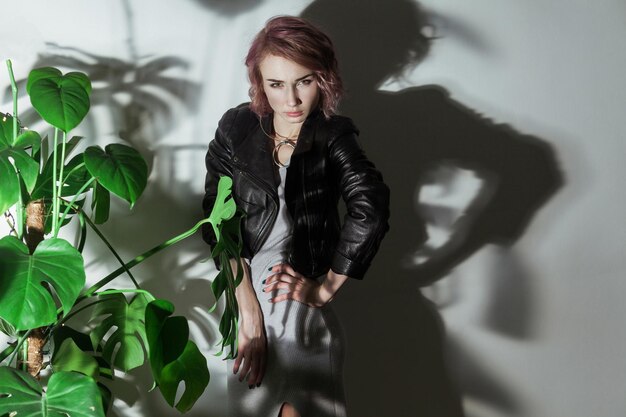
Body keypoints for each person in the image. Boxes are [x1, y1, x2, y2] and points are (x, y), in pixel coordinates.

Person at [202, 16, 390, 417]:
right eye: (275, 85)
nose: (291, 101)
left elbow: (369, 206)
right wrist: (246, 306)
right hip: (248, 298)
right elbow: (217, 220)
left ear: (323, 79)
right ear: (258, 82)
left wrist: (323, 290)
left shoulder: (333, 135)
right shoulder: (236, 129)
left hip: (291, 307)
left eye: (303, 81)